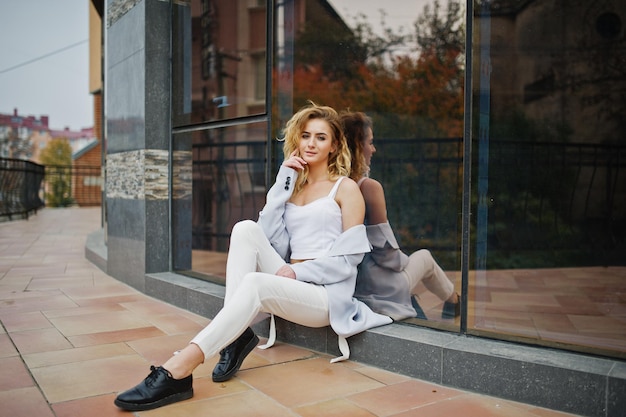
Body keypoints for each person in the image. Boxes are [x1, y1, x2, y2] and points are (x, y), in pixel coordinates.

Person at [114, 103, 392, 411]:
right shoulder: (294, 188)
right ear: (297, 141)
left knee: (257, 284)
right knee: (245, 229)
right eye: (305, 136)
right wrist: (283, 180)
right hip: (292, 280)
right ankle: (233, 337)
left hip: (326, 296)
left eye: (321, 137)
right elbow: (267, 234)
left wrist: (300, 273)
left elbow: (349, 259)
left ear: (334, 145)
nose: (311, 143)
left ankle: (180, 367)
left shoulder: (346, 188)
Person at [340, 110, 460, 322]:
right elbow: (387, 256)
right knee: (424, 258)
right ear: (358, 147)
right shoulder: (369, 187)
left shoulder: (330, 186)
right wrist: (402, 260)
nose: (373, 149)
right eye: (370, 142)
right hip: (380, 289)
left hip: (349, 285)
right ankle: (454, 301)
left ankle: (442, 300)